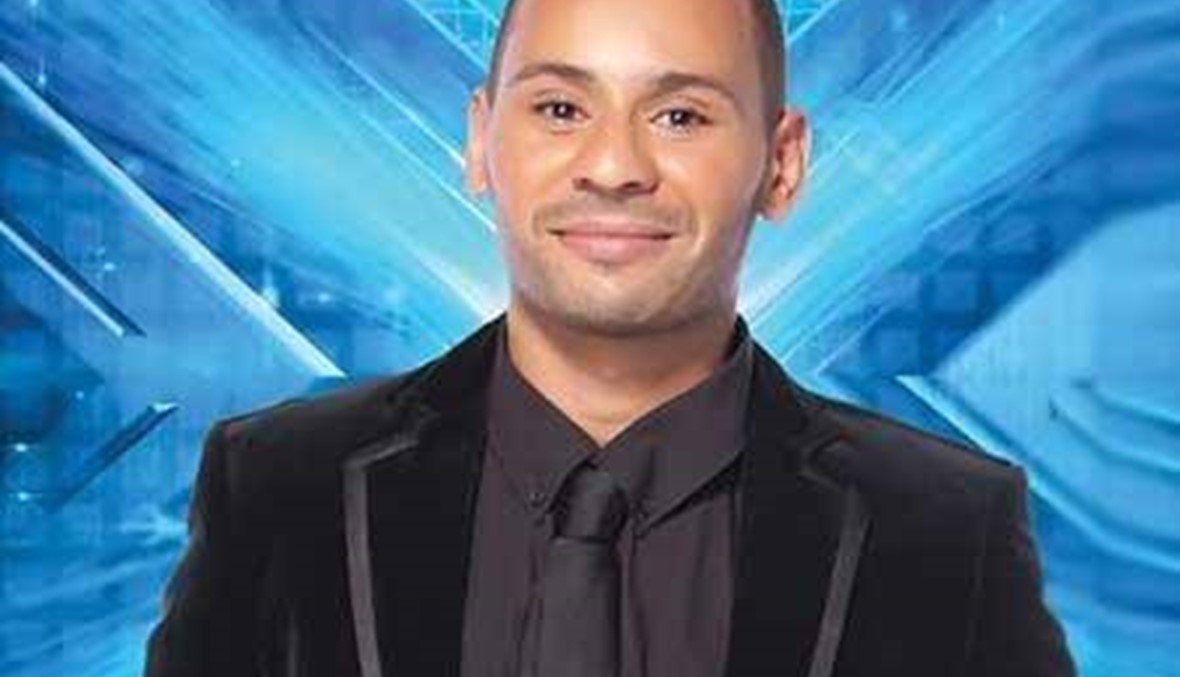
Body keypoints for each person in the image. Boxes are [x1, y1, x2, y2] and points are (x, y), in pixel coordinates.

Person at [144, 0, 1076, 674]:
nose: (614, 166)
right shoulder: (276, 486)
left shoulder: (947, 528)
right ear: (480, 140)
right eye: (560, 108)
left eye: (680, 115)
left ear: (782, 163)